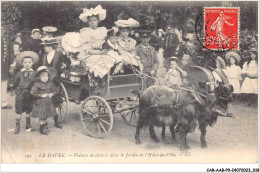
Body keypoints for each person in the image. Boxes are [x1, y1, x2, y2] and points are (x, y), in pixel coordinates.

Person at [13, 51, 39, 134]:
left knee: (28, 109)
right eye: (25, 62)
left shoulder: (34, 73)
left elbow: (35, 83)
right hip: (20, 93)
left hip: (29, 94)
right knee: (19, 109)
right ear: (22, 63)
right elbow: (15, 83)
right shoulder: (19, 73)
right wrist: (17, 90)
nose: (27, 64)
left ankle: (28, 124)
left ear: (32, 63)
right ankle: (17, 125)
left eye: (29, 62)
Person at [30, 66, 59, 135]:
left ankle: (45, 126)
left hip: (48, 102)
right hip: (40, 103)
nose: (45, 77)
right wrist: (40, 95)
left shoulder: (50, 83)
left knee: (45, 114)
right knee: (41, 115)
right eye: (43, 76)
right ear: (38, 77)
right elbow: (32, 92)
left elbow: (55, 90)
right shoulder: (36, 84)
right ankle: (42, 127)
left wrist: (52, 93)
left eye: (46, 76)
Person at [1, 27, 12, 109]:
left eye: (2, 29)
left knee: (4, 84)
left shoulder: (6, 40)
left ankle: (3, 102)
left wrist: (11, 64)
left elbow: (10, 52)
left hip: (4, 65)